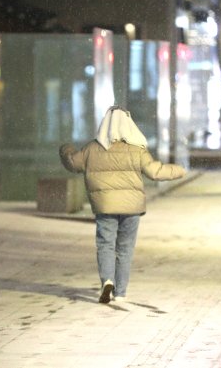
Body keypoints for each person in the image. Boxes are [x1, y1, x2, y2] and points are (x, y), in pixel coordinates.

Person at [59, 106, 186, 303]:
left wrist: (66, 149)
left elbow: (73, 163)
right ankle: (121, 292)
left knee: (105, 244)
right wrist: (179, 170)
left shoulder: (92, 149)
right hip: (132, 208)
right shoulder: (137, 150)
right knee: (125, 248)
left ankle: (107, 280)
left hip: (105, 206)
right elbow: (155, 172)